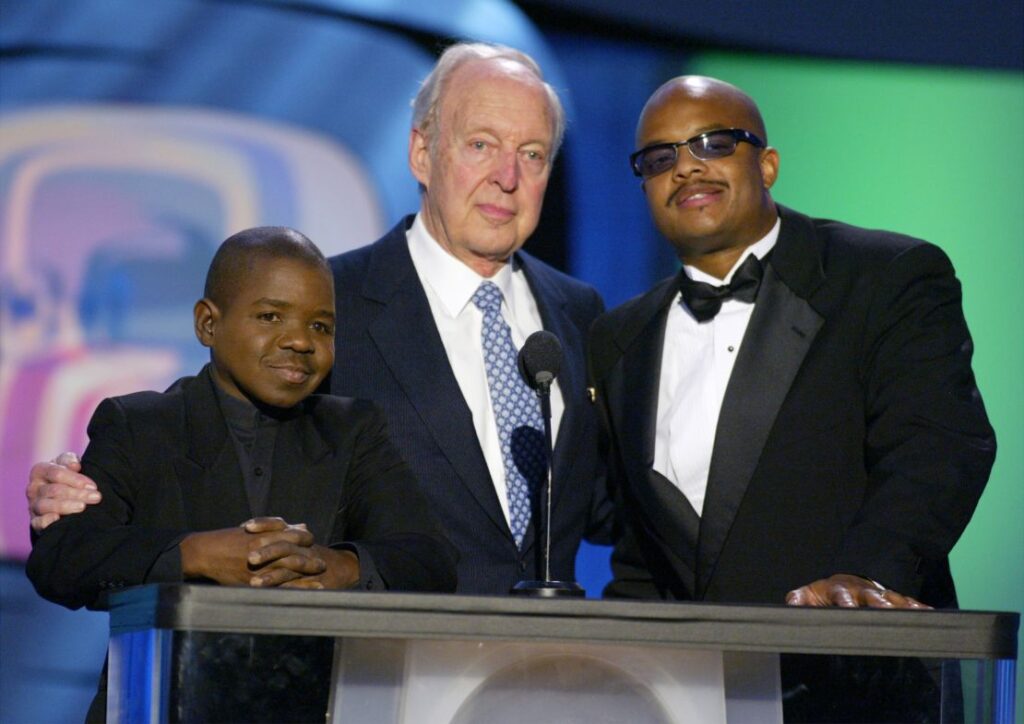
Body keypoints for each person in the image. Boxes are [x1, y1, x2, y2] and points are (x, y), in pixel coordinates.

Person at [27, 43, 611, 595]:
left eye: (532, 154)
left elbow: (609, 502)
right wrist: (85, 496)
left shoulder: (580, 314)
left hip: (546, 657)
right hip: (377, 657)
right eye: (481, 144)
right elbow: (221, 453)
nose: (507, 177)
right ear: (421, 153)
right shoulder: (326, 308)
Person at [588, 75, 994, 720]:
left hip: (860, 687)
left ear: (768, 164)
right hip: (693, 698)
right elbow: (642, 548)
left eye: (714, 142)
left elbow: (938, 447)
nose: (686, 166)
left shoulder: (885, 276)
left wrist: (868, 577)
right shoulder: (619, 339)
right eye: (660, 158)